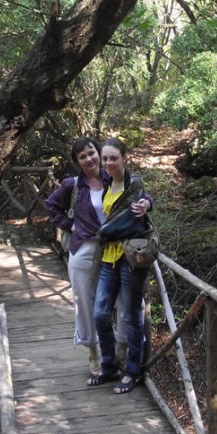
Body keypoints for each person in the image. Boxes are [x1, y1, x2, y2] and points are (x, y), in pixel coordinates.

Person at [45, 137, 146, 377]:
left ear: (99, 154)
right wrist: (71, 225)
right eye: (83, 156)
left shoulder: (113, 176)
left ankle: (121, 351)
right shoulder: (73, 184)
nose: (89, 159)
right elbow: (51, 205)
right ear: (77, 162)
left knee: (125, 301)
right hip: (85, 250)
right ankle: (93, 352)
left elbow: (140, 193)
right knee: (86, 303)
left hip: (116, 249)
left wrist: (147, 204)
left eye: (92, 153)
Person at [88, 138, 152, 394]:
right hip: (108, 260)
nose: (108, 163)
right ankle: (110, 366)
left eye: (113, 158)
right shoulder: (106, 185)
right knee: (101, 314)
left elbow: (128, 219)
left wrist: (103, 233)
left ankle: (133, 371)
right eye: (105, 159)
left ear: (124, 157)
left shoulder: (134, 182)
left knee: (131, 315)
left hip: (131, 259)